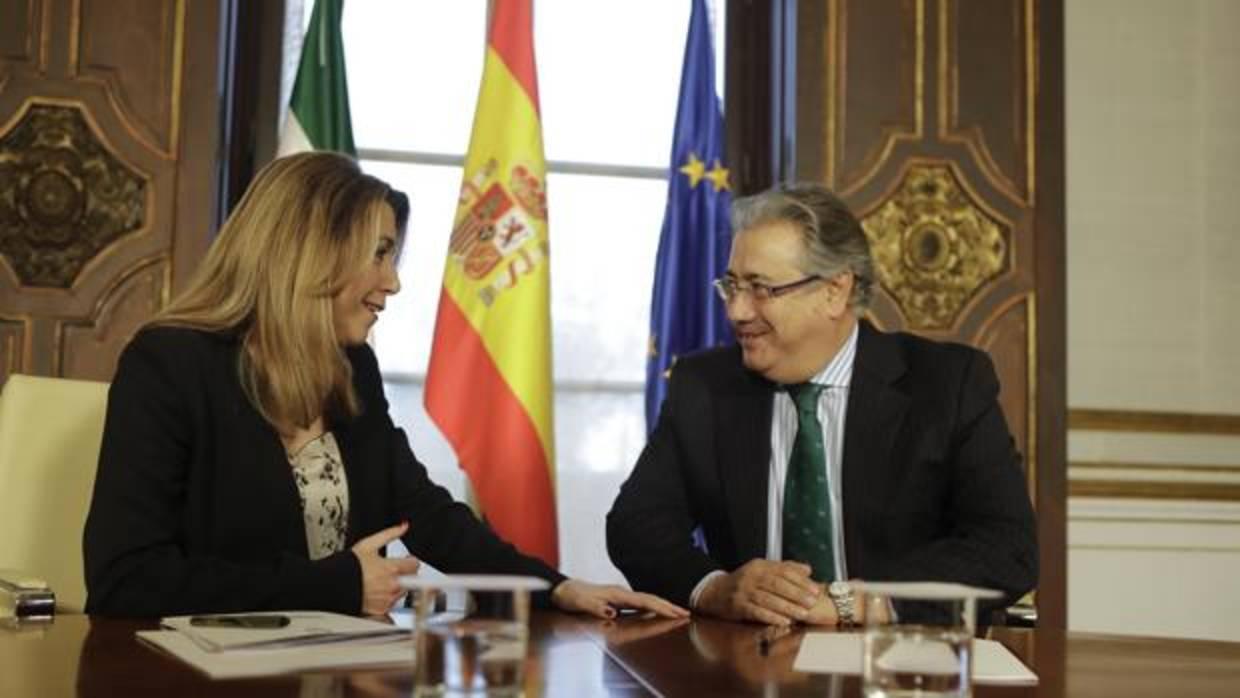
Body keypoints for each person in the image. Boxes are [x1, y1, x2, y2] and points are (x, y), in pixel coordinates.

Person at [82, 152, 686, 620]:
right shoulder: (168, 365)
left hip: (341, 668)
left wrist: (556, 588)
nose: (393, 282)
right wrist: (337, 585)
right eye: (379, 254)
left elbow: (426, 514)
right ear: (308, 251)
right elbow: (125, 580)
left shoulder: (352, 368)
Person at [607, 183, 1037, 626]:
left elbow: (1007, 546)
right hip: (750, 653)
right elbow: (634, 525)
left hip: (899, 651)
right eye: (732, 286)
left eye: (761, 288)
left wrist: (856, 603)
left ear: (835, 290)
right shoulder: (705, 386)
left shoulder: (946, 384)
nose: (737, 311)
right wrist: (716, 589)